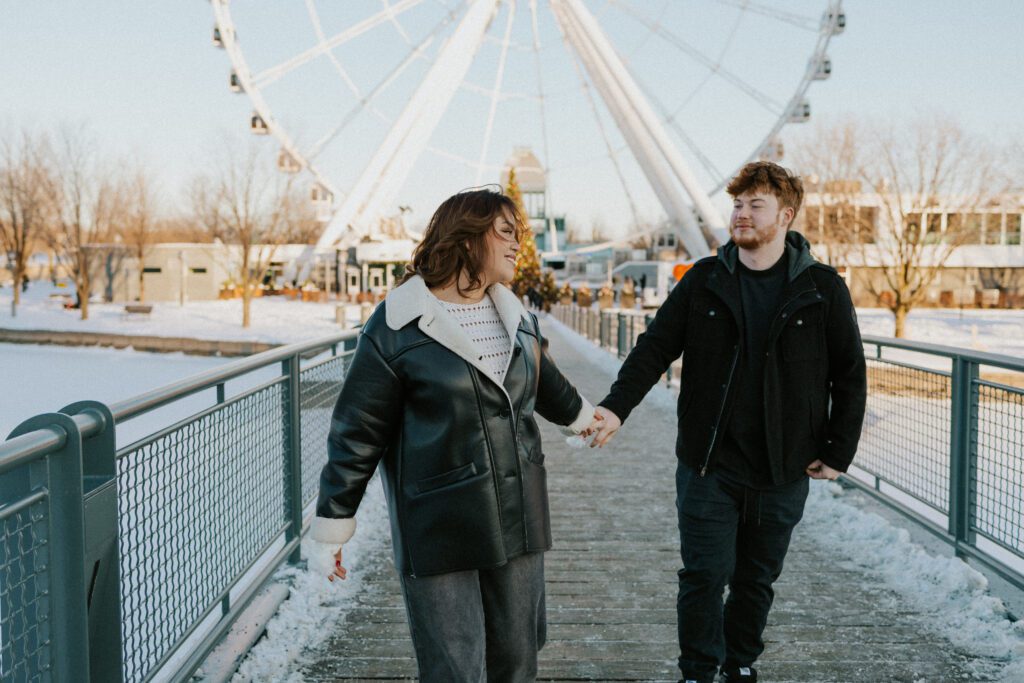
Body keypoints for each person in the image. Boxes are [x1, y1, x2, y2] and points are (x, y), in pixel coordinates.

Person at [588, 161, 866, 683]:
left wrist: (837, 450)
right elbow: (654, 349)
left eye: (755, 205)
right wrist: (616, 407)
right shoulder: (704, 280)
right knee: (703, 575)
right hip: (708, 462)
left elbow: (850, 373)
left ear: (785, 215)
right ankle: (697, 672)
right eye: (737, 204)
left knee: (756, 581)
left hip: (783, 466)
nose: (741, 213)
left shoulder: (823, 288)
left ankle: (739, 666)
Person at [309, 187, 595, 682]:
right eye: (505, 232)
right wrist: (335, 521)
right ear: (466, 238)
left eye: (518, 234)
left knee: (518, 658)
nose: (517, 244)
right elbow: (357, 432)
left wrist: (588, 419)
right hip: (438, 524)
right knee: (453, 668)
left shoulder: (517, 317)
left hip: (518, 513)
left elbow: (546, 384)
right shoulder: (396, 326)